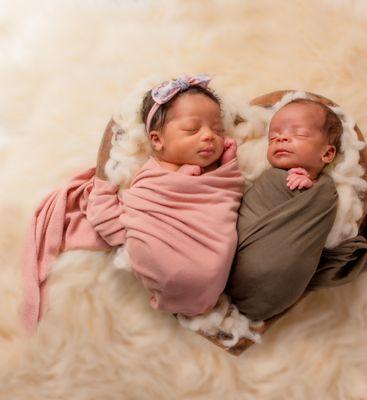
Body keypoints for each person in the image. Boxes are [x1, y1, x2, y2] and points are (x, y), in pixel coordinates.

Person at [22, 75, 244, 331]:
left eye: (217, 130)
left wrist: (228, 165)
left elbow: (229, 193)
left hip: (212, 268)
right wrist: (105, 187)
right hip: (166, 262)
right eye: (193, 129)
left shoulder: (219, 172)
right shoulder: (149, 176)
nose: (209, 136)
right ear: (157, 140)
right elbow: (123, 217)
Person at [225, 97, 367, 322]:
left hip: (276, 283)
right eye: (273, 137)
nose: (281, 138)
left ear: (327, 155)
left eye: (298, 134)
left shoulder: (325, 191)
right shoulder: (268, 178)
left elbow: (318, 234)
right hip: (228, 269)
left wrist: (310, 187)